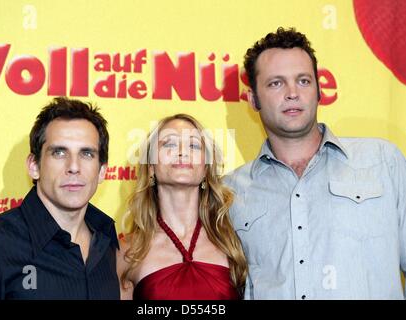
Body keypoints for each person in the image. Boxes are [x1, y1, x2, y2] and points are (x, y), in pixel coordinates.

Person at [224, 27, 406, 299]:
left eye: (303, 81)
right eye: (276, 83)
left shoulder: (383, 161)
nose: (292, 93)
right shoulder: (229, 192)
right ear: (253, 99)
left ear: (319, 90)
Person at [0, 97, 119, 299]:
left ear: (102, 171)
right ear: (34, 166)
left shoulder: (107, 243)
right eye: (59, 152)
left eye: (86, 154)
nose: (74, 166)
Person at [116, 113, 247, 300]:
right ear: (151, 167)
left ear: (206, 169)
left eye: (193, 145)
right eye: (169, 143)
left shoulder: (233, 242)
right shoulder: (127, 252)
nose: (182, 151)